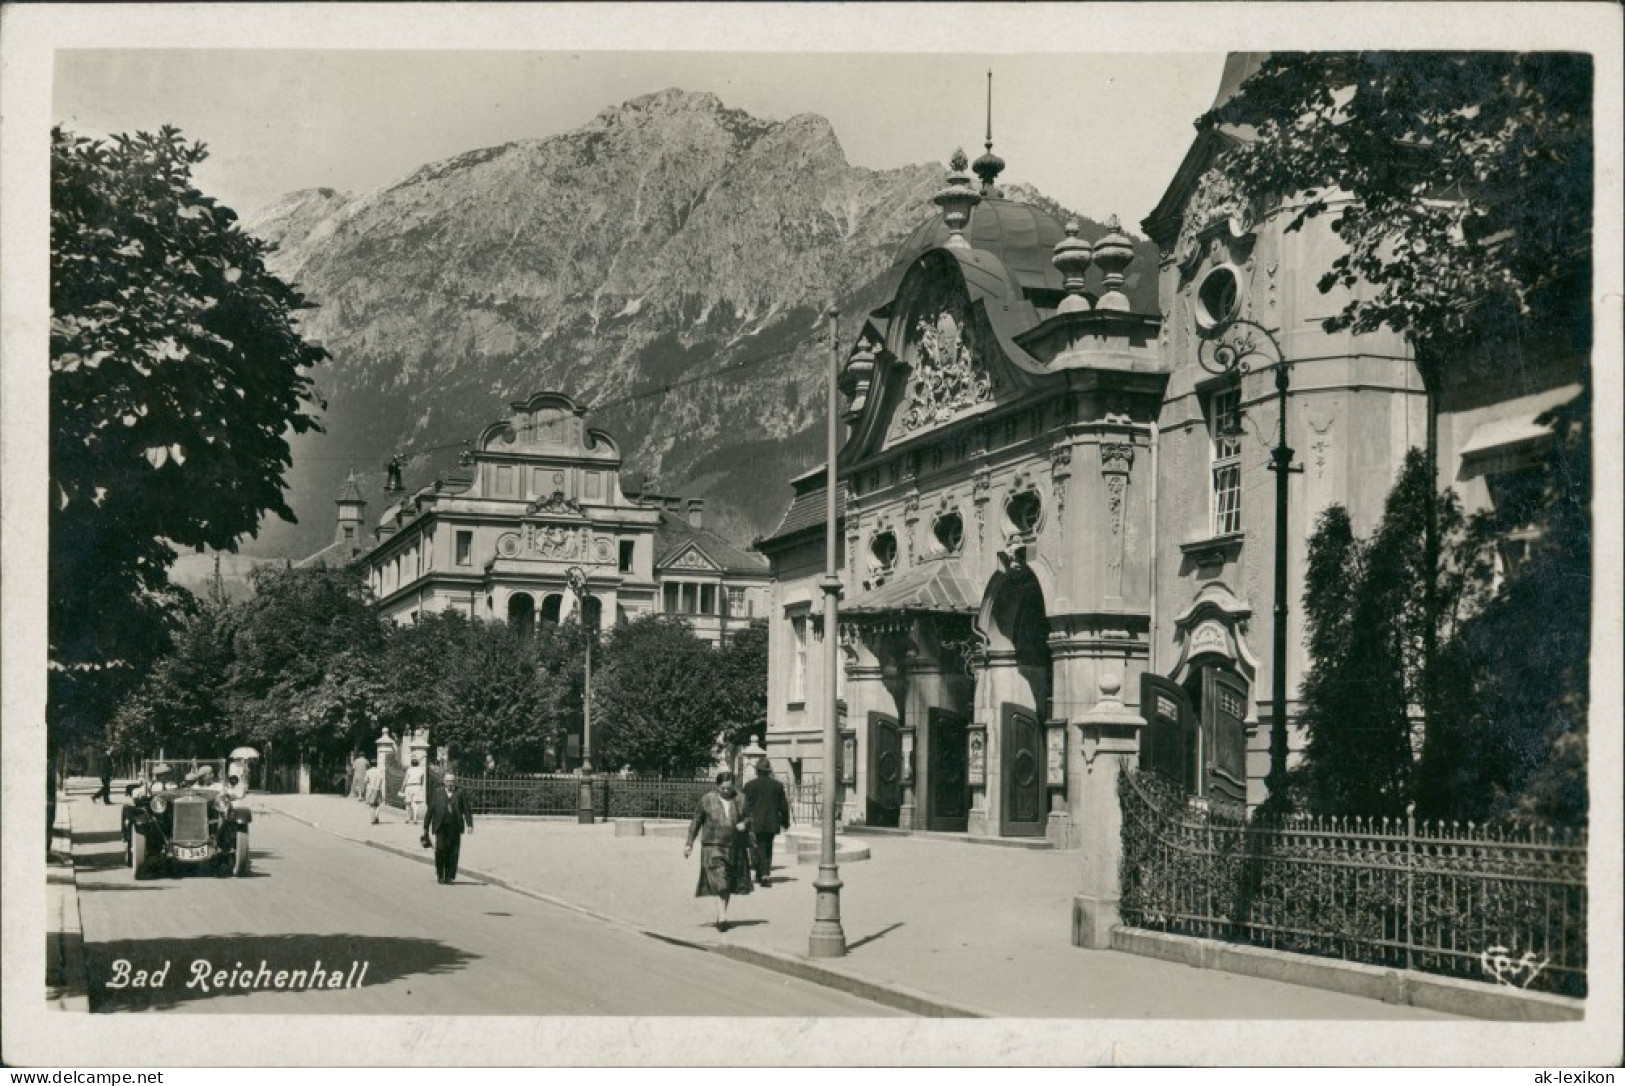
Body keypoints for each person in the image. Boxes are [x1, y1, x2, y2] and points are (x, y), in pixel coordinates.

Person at [684, 770, 753, 931]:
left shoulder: (741, 799)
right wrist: (689, 844)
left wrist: (745, 824)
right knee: (719, 879)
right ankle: (722, 917)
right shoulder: (707, 800)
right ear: (717, 786)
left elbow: (750, 817)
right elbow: (696, 821)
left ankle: (722, 914)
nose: (726, 791)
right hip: (713, 845)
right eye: (723, 788)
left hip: (734, 846)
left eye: (729, 788)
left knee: (727, 882)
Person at [741, 758, 791, 885]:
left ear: (757, 770)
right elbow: (783, 807)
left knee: (759, 847)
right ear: (769, 771)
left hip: (754, 822)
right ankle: (763, 873)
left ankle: (763, 875)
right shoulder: (777, 785)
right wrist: (785, 822)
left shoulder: (749, 786)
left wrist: (743, 820)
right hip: (772, 822)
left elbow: (743, 805)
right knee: (768, 846)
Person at [422, 771, 474, 884]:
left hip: (455, 827)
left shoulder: (460, 793)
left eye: (452, 781)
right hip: (441, 826)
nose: (450, 783)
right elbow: (431, 810)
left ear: (455, 782)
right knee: (440, 850)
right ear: (444, 782)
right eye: (448, 781)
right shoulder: (438, 792)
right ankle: (440, 875)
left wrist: (470, 824)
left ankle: (450, 877)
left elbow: (466, 809)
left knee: (453, 852)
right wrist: (425, 826)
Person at [401, 755, 426, 824]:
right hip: (417, 786)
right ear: (418, 763)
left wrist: (402, 787)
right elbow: (422, 780)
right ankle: (415, 818)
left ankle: (407, 818)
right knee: (416, 803)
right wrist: (420, 786)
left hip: (409, 786)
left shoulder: (409, 770)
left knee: (408, 803)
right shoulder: (421, 770)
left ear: (411, 763)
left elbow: (406, 779)